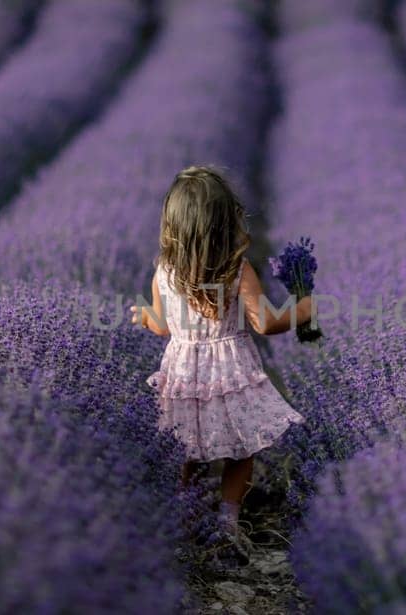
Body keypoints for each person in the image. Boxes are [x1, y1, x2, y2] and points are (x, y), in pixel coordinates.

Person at [129, 165, 312, 558]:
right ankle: (228, 522)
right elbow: (264, 322)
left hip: (185, 372)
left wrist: (143, 314)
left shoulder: (164, 271)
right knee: (242, 451)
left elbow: (161, 326)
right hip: (230, 371)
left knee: (189, 452)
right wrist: (303, 310)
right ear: (226, 220)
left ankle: (188, 520)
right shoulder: (237, 270)